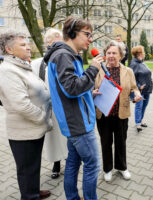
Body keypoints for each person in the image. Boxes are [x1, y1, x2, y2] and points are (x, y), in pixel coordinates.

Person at [44, 17, 102, 200]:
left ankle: (72, 197)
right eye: (87, 34)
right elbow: (71, 88)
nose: (90, 39)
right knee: (92, 165)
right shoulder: (63, 55)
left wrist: (89, 94)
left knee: (73, 163)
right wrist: (93, 70)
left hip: (74, 121)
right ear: (71, 33)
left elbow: (70, 89)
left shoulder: (65, 55)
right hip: (79, 123)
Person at [0, 31, 52, 199]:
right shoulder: (7, 70)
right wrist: (44, 118)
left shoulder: (21, 66)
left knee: (33, 165)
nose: (28, 46)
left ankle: (33, 190)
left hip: (33, 128)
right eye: (22, 44)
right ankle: (29, 196)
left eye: (27, 43)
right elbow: (21, 105)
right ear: (9, 49)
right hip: (24, 131)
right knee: (27, 168)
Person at [95, 40, 142, 182]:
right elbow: (89, 87)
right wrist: (92, 91)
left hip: (121, 113)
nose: (111, 55)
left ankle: (122, 167)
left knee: (121, 142)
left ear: (120, 55)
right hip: (103, 114)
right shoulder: (98, 70)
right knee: (105, 142)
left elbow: (134, 87)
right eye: (108, 53)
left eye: (114, 53)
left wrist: (137, 94)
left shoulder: (128, 71)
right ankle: (107, 169)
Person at [31, 28, 68, 179]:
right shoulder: (38, 64)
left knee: (67, 136)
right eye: (50, 43)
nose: (53, 47)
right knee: (52, 137)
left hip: (65, 107)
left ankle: (69, 160)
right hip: (48, 108)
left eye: (57, 43)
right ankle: (56, 163)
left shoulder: (66, 61)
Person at [130, 45, 153, 132]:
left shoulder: (142, 62)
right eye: (143, 52)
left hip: (147, 89)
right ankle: (138, 124)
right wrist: (139, 86)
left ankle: (141, 120)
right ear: (139, 53)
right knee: (139, 106)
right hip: (140, 91)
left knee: (144, 106)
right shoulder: (134, 64)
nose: (144, 53)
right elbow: (131, 78)